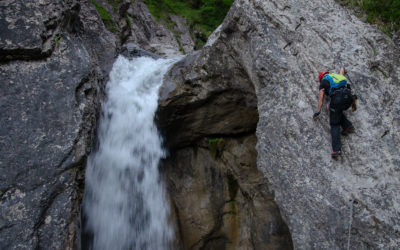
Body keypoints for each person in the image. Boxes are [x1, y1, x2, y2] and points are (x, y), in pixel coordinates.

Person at [313, 67, 356, 158]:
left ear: (321, 78)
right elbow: (342, 70)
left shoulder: (324, 82)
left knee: (334, 124)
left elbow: (321, 97)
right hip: (349, 97)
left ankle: (336, 150)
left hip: (338, 99)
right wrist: (343, 69)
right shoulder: (336, 76)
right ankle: (347, 126)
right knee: (337, 111)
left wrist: (318, 110)